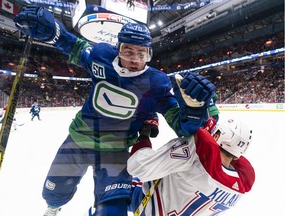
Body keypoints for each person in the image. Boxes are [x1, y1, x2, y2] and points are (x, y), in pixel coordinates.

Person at [13, 6, 215, 216]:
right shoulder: (100, 56)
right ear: (118, 49)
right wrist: (55, 33)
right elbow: (71, 44)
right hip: (78, 141)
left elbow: (182, 126)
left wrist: (194, 109)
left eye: (141, 53)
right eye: (128, 51)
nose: (135, 59)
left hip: (115, 152)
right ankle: (52, 209)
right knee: (53, 191)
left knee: (113, 211)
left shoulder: (157, 83)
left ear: (149, 54)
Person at [127, 118, 255, 216]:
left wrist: (144, 135)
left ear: (217, 135)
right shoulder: (239, 188)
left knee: (113, 180)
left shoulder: (196, 156)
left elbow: (139, 167)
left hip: (147, 205)